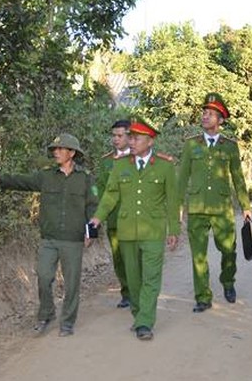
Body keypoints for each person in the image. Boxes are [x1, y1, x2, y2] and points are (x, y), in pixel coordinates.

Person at [0, 133, 98, 336]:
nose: (56, 152)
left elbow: (92, 207)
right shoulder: (46, 176)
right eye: (54, 149)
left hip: (73, 239)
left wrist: (92, 233)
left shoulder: (85, 178)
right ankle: (46, 314)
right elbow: (22, 181)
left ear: (71, 153)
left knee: (72, 283)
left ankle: (68, 322)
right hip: (49, 238)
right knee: (44, 277)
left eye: (60, 149)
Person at [89, 118, 179, 341]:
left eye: (136, 138)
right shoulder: (121, 165)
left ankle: (145, 322)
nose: (131, 141)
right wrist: (97, 218)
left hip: (154, 231)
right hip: (127, 231)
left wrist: (173, 230)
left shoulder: (165, 166)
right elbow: (110, 195)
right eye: (130, 137)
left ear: (149, 141)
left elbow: (173, 200)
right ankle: (139, 314)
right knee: (134, 279)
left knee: (151, 277)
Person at [177, 92, 252, 313]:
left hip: (222, 208)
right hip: (198, 206)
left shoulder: (229, 146)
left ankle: (228, 282)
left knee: (229, 249)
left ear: (221, 120)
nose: (205, 116)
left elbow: (238, 178)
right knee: (198, 255)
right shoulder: (191, 145)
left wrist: (246, 206)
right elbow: (182, 178)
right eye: (204, 112)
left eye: (211, 114)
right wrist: (178, 205)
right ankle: (203, 296)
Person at [97, 119, 132, 308]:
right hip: (114, 220)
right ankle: (126, 292)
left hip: (136, 220)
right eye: (114, 136)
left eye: (120, 135)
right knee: (119, 258)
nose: (115, 139)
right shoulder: (106, 161)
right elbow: (101, 191)